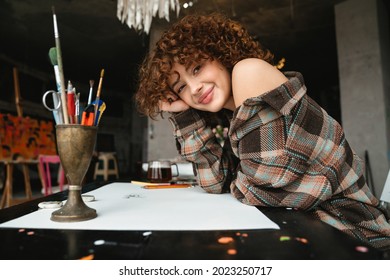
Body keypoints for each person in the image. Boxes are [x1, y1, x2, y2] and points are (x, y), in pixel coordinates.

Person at [135, 13, 390, 250]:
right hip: (307, 235)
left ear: (219, 53)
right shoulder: (231, 115)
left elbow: (260, 190)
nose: (194, 88)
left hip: (358, 238)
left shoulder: (249, 73)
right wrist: (183, 115)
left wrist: (235, 181)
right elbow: (214, 183)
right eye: (180, 88)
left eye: (197, 68)